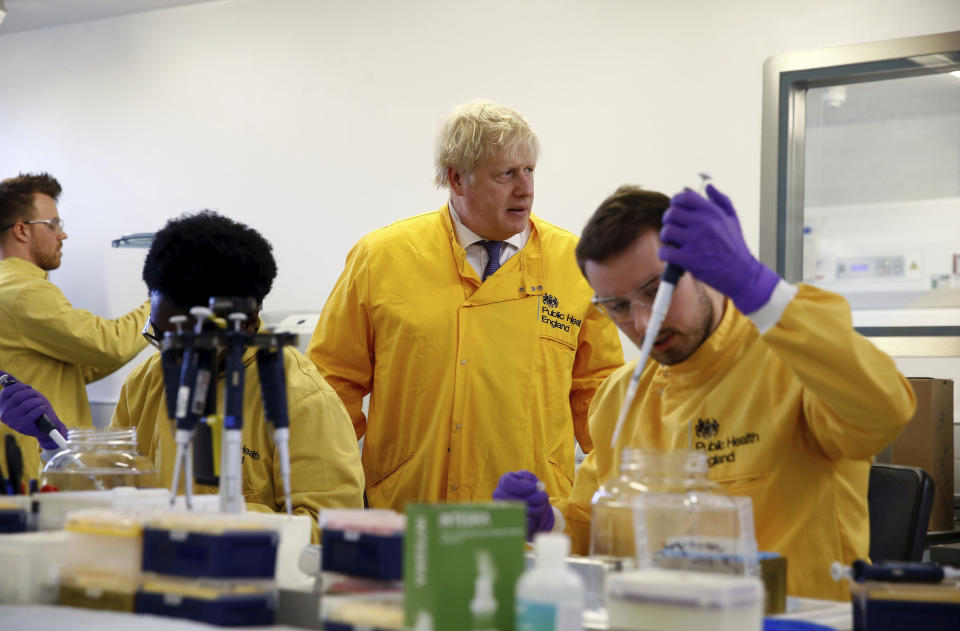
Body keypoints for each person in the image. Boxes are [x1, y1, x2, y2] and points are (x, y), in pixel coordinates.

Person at [494, 184, 916, 600]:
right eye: (617, 307)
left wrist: (759, 286)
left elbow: (884, 411)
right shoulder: (621, 397)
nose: (643, 323)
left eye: (655, 291)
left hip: (795, 628)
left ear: (704, 268)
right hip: (667, 623)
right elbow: (598, 527)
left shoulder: (790, 363)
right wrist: (549, 523)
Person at [308, 101, 624, 510]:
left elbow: (601, 395)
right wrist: (331, 496)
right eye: (506, 174)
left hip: (531, 516)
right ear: (457, 179)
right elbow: (332, 386)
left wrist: (618, 495)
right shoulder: (382, 257)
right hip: (407, 509)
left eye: (529, 170)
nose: (525, 188)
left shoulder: (575, 263)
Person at [107, 211, 364, 537]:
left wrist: (222, 520)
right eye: (160, 336)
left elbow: (332, 530)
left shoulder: (301, 397)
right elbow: (113, 492)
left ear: (245, 322)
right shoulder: (145, 382)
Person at [0, 172, 149, 480]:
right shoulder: (26, 293)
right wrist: (162, 302)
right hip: (38, 471)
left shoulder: (9, 287)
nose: (62, 235)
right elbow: (109, 344)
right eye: (53, 224)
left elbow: (75, 367)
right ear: (22, 231)